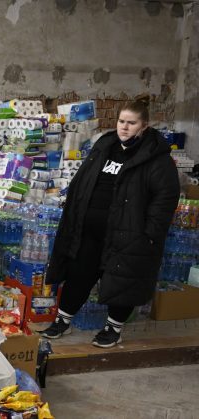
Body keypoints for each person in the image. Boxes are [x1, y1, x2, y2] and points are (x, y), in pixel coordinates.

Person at [41, 100, 180, 348]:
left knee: (122, 280)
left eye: (131, 123)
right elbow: (84, 180)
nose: (124, 127)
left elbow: (165, 200)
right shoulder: (105, 147)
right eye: (121, 121)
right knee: (78, 274)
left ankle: (113, 329)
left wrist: (148, 234)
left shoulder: (156, 160)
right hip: (89, 231)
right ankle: (62, 321)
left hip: (128, 234)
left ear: (144, 126)